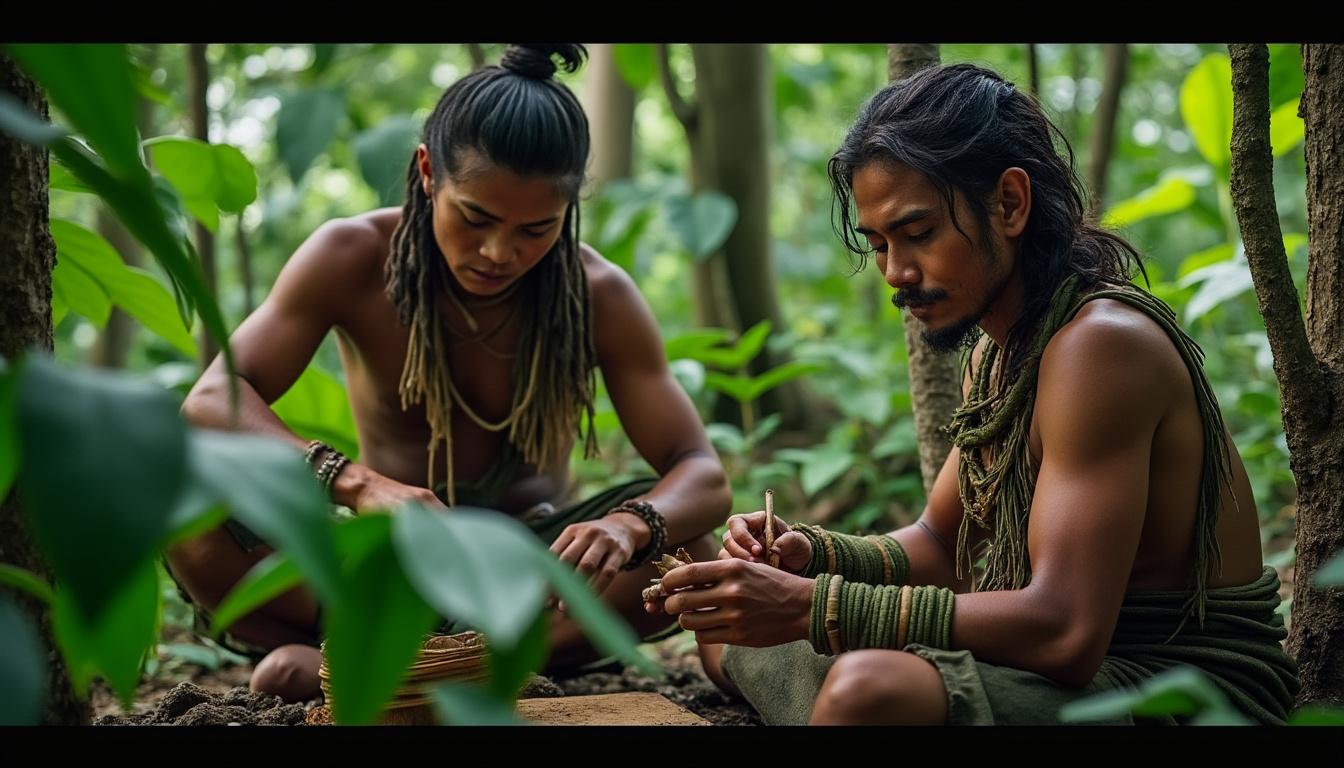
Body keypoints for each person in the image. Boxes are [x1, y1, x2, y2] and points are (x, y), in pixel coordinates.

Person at [646, 62, 1299, 725]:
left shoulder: (1101, 347)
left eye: (918, 233)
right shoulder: (1000, 350)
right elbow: (937, 542)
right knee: (739, 637)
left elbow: (1065, 632)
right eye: (877, 244)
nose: (896, 272)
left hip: (1175, 691)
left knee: (866, 690)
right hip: (1067, 672)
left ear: (1010, 203)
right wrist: (810, 555)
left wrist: (811, 605)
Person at [168, 44, 729, 701]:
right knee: (187, 496)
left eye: (536, 230)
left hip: (532, 583)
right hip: (380, 568)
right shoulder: (350, 256)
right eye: (476, 218)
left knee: (689, 545)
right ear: (428, 171)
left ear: (571, 206)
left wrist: (628, 524)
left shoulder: (598, 292)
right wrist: (352, 483)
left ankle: (417, 668)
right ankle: (409, 656)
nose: (499, 252)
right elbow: (211, 400)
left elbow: (703, 474)